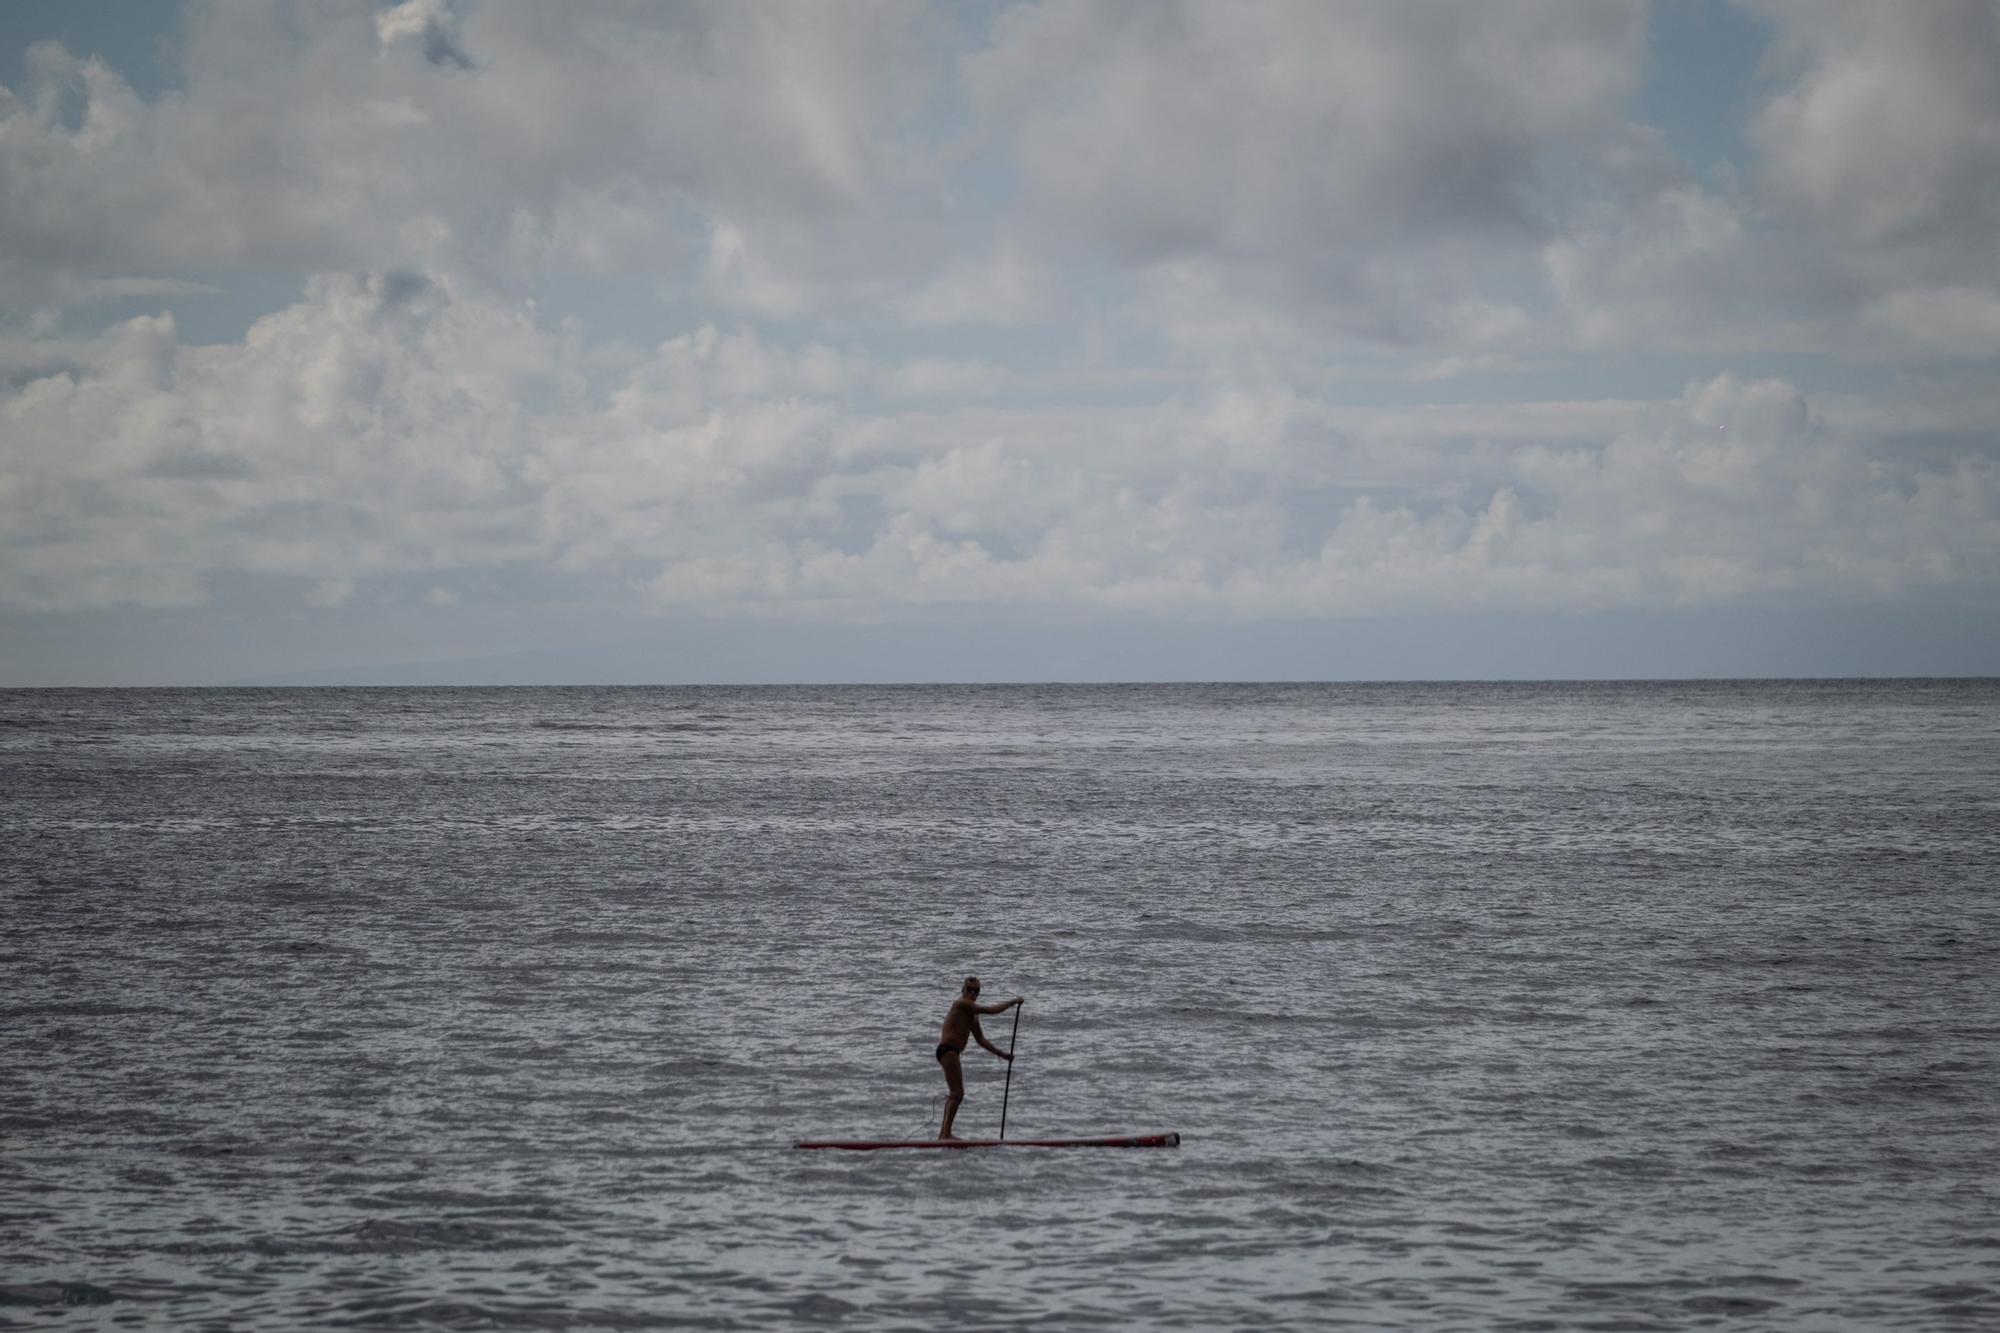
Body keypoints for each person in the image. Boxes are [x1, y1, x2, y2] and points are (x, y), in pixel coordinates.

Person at [934, 975, 1022, 1140]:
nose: (973, 993)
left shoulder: (972, 1014)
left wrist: (1002, 1054)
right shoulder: (961, 1003)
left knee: (955, 1093)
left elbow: (981, 1040)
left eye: (977, 990)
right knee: (957, 1093)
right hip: (948, 1050)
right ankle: (945, 1134)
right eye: (970, 989)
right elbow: (991, 1010)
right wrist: (1013, 1002)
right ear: (963, 990)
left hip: (952, 1052)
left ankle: (943, 1134)